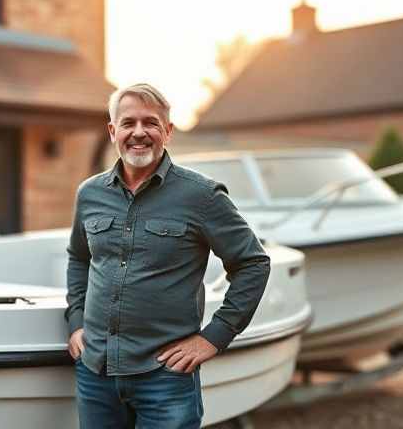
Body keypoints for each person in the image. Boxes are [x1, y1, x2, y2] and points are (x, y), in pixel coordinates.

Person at [65, 83, 270, 429]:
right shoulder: (90, 193)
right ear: (113, 131)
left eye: (151, 123)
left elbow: (252, 263)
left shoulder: (202, 195)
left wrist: (213, 338)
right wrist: (76, 321)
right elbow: (79, 258)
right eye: (128, 123)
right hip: (95, 372)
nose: (139, 133)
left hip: (166, 378)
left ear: (168, 132)